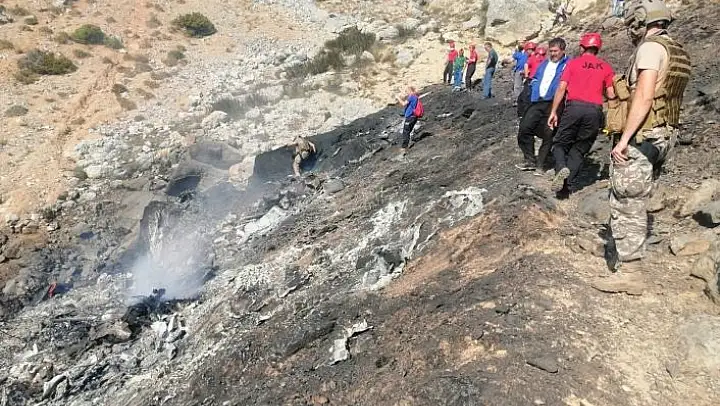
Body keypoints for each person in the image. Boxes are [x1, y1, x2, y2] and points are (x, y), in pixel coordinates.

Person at [606, 0, 691, 270]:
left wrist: (623, 140)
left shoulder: (650, 49)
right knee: (639, 198)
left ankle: (630, 269)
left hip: (642, 136)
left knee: (627, 202)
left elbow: (644, 95)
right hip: (665, 135)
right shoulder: (676, 50)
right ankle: (630, 255)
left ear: (640, 22)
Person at [547, 33, 616, 198]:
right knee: (579, 149)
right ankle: (565, 188)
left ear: (582, 47)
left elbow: (562, 88)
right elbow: (611, 94)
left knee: (559, 144)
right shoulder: (606, 67)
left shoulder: (573, 64)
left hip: (574, 108)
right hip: (594, 111)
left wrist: (554, 111)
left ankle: (561, 167)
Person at [516, 37, 570, 172]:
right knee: (524, 129)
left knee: (549, 133)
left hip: (554, 102)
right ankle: (530, 159)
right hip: (538, 100)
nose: (553, 54)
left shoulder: (568, 64)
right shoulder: (545, 63)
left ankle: (541, 164)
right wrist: (534, 87)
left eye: (555, 51)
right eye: (551, 51)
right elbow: (535, 77)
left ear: (563, 51)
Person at [397, 86, 421, 155]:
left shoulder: (412, 97)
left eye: (407, 91)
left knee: (406, 132)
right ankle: (406, 145)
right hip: (414, 117)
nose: (406, 92)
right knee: (408, 131)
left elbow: (403, 104)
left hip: (410, 117)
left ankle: (404, 148)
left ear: (410, 91)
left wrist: (398, 98)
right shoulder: (415, 97)